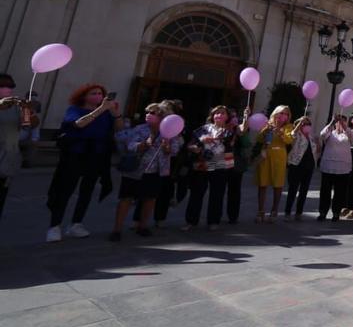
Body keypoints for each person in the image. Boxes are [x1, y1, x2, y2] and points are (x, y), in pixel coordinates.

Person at [46, 83, 119, 241]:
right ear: (84, 96)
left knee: (87, 191)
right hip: (75, 154)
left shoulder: (106, 113)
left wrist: (114, 112)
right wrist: (100, 110)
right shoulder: (74, 110)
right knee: (65, 190)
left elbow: (118, 128)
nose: (98, 96)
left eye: (100, 93)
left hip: (96, 155)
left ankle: (76, 223)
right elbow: (79, 124)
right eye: (94, 93)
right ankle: (55, 226)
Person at [110, 102, 181, 240]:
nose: (148, 115)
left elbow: (174, 151)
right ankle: (117, 229)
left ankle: (143, 226)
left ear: (162, 117)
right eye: (147, 112)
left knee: (150, 199)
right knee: (126, 198)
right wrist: (143, 144)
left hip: (155, 171)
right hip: (135, 170)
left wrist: (167, 147)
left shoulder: (170, 132)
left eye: (152, 113)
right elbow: (130, 145)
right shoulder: (140, 129)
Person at [185, 105, 237, 231]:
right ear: (212, 116)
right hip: (203, 162)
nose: (219, 115)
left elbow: (231, 140)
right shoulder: (203, 129)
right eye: (217, 113)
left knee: (217, 193)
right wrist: (195, 148)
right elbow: (190, 145)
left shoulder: (230, 131)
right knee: (196, 192)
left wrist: (245, 118)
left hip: (220, 163)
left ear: (227, 117)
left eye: (223, 113)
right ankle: (191, 221)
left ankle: (213, 221)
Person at [0, 74, 35, 220]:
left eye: (10, 86)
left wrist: (28, 114)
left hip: (6, 160)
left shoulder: (17, 106)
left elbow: (26, 128)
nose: (8, 90)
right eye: (3, 86)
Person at [255, 105, 293, 223]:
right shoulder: (268, 124)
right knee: (262, 183)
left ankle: (274, 211)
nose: (283, 116)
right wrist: (266, 130)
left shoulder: (289, 126)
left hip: (279, 156)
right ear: (275, 113)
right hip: (265, 155)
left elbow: (289, 140)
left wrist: (280, 133)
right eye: (281, 113)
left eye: (286, 114)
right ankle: (260, 211)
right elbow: (259, 138)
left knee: (278, 184)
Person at [317, 115, 353, 221]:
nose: (341, 124)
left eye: (343, 122)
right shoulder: (330, 134)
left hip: (343, 168)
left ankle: (336, 212)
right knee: (325, 191)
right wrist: (332, 122)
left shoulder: (348, 134)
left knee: (340, 192)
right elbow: (322, 134)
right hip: (329, 167)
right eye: (339, 122)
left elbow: (352, 137)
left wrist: (345, 126)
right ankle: (323, 212)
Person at [284, 115, 318, 220]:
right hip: (296, 164)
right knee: (293, 189)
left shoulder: (311, 137)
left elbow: (315, 150)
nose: (307, 126)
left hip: (309, 165)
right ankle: (288, 212)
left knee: (304, 190)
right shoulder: (296, 134)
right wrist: (299, 123)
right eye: (305, 123)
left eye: (309, 124)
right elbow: (292, 135)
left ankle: (299, 212)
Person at [229, 109, 257, 224]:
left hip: (236, 162)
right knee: (218, 189)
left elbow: (242, 132)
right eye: (232, 116)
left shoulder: (239, 130)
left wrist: (246, 117)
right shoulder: (219, 129)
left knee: (234, 189)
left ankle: (233, 216)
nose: (235, 119)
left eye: (236, 116)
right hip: (220, 161)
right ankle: (214, 217)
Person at [16, 87, 41, 170]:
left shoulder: (34, 118)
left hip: (23, 139)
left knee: (34, 144)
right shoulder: (18, 110)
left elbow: (35, 133)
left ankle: (26, 162)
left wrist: (34, 140)